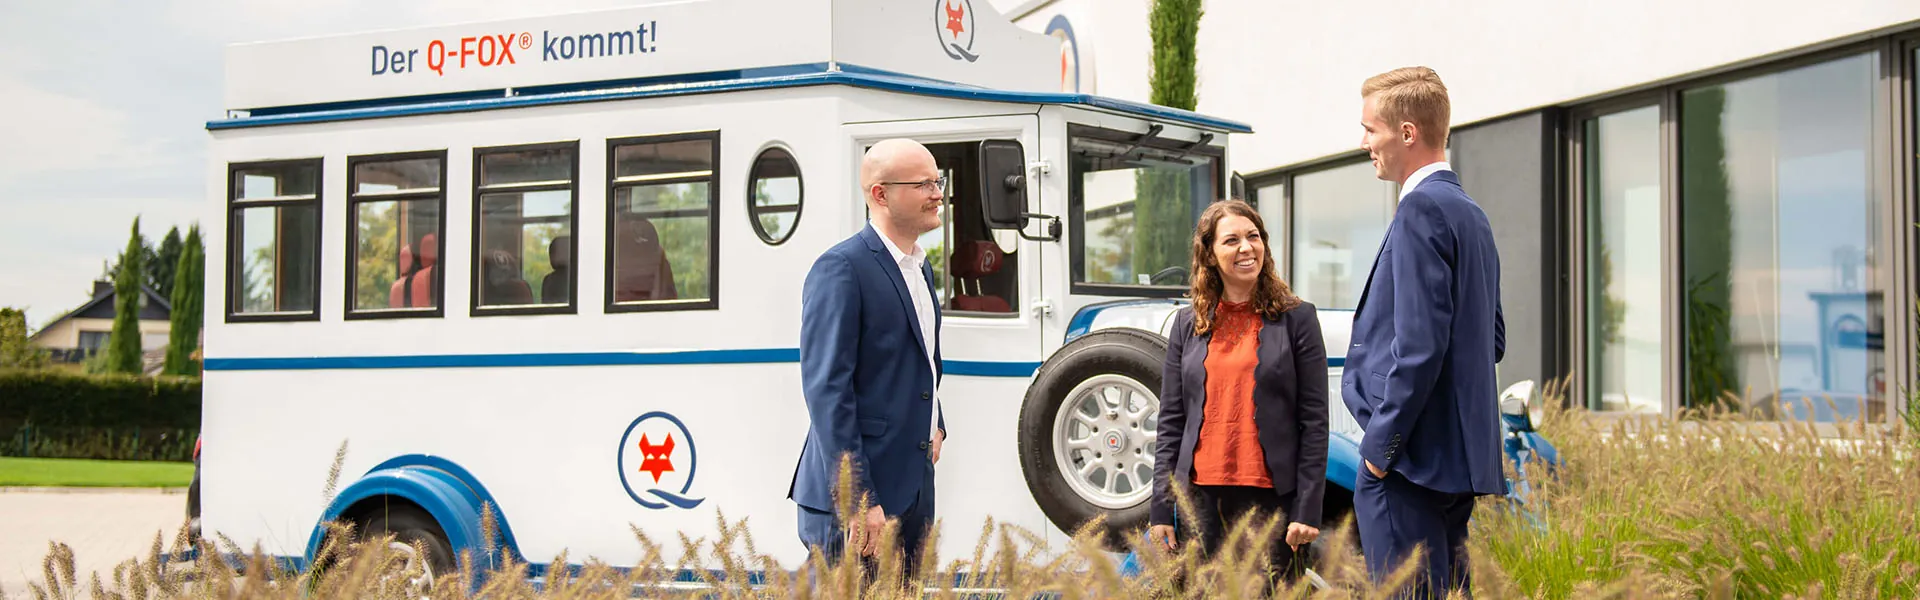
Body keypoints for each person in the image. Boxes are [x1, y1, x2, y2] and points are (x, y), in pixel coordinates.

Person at [1344, 66, 1507, 598]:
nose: (1364, 142)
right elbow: (1492, 339)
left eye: (1371, 129)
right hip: (1456, 462)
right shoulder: (1472, 214)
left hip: (1408, 461)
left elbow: (1420, 347)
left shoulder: (1420, 208)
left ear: (1407, 132)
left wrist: (1380, 448)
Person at [1148, 199, 1330, 593]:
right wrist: (1161, 507)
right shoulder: (1186, 324)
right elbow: (1172, 422)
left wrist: (1307, 509)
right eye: (1231, 240)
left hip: (1273, 500)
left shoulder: (1298, 319)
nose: (1247, 247)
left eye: (1254, 237)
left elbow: (1315, 423)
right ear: (1210, 254)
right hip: (1199, 499)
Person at [787, 138, 948, 582]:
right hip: (857, 500)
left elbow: (922, 363)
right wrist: (859, 496)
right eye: (923, 184)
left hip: (913, 487)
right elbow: (827, 391)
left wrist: (936, 424)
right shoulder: (841, 268)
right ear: (881, 194)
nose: (937, 194)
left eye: (938, 181)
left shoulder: (920, 267)